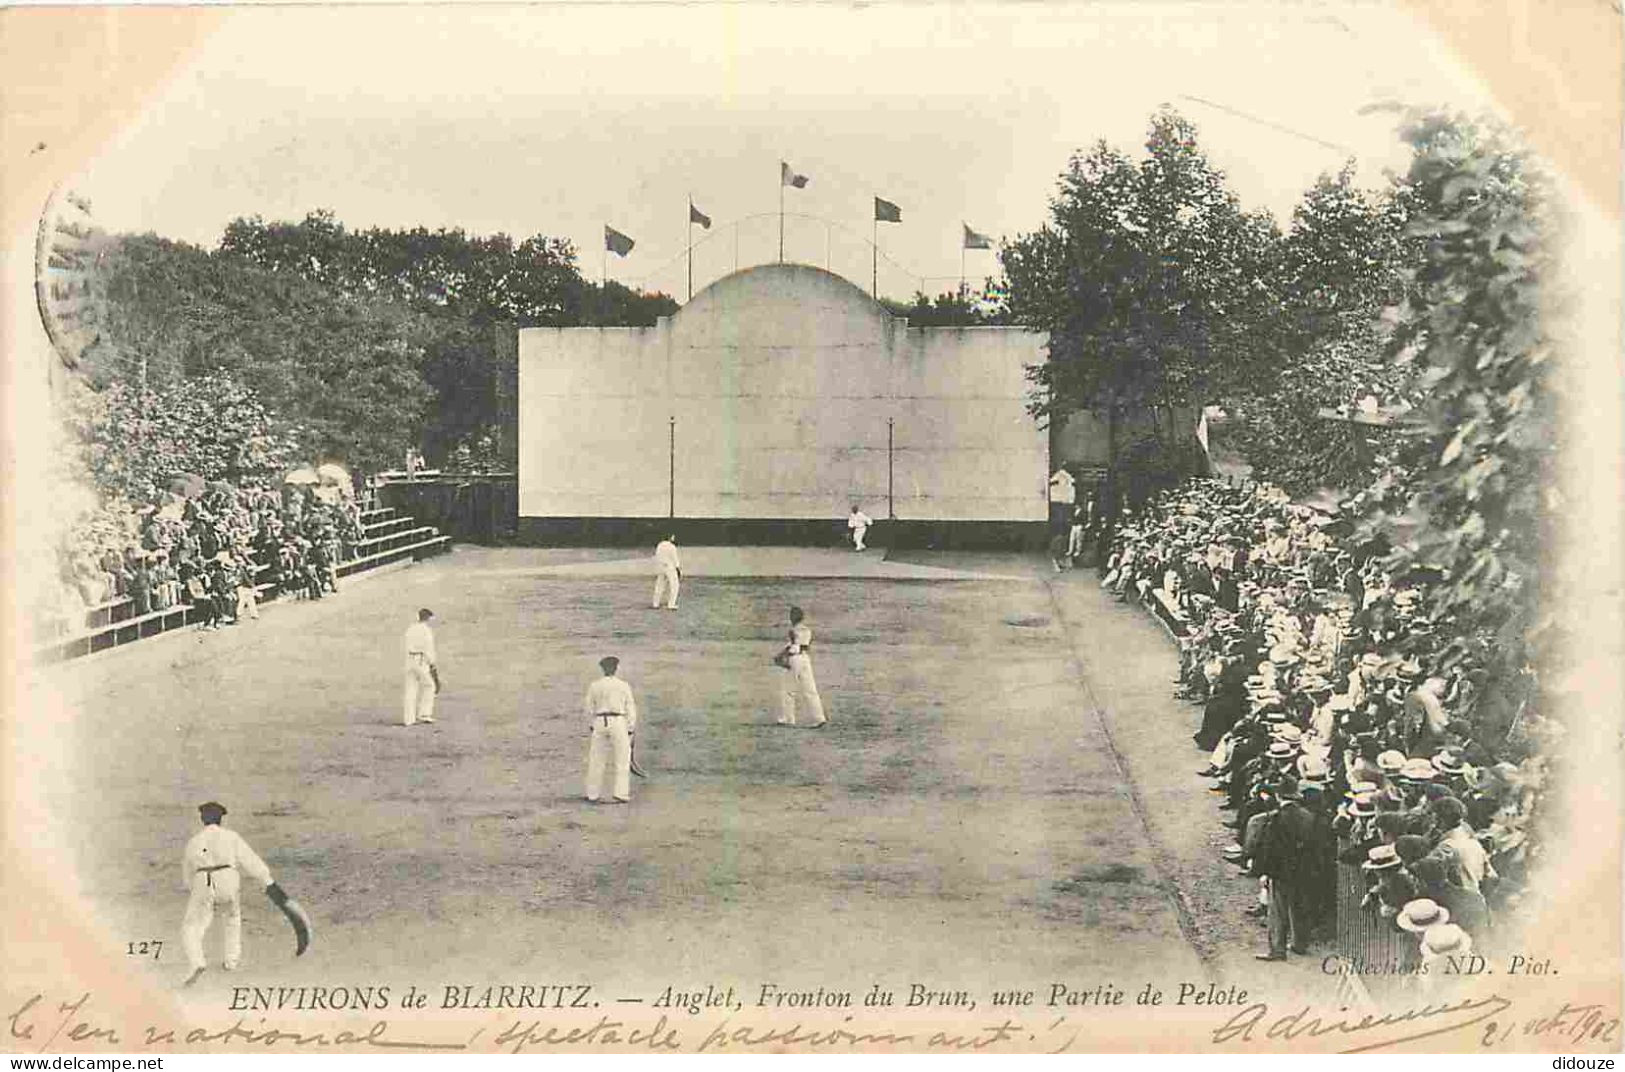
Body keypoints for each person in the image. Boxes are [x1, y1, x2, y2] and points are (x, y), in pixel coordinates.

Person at [181, 801, 274, 986]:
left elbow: (187, 871)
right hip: (227, 879)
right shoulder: (231, 837)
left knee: (192, 926)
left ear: (203, 819)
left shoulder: (194, 841)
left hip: (202, 879)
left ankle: (197, 962)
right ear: (221, 818)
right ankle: (231, 961)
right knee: (232, 918)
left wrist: (195, 890)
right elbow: (250, 860)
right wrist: (266, 880)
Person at [583, 655, 638, 804]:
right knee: (622, 759)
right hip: (618, 721)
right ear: (616, 668)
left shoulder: (595, 685)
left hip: (600, 721)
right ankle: (621, 793)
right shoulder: (623, 685)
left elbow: (588, 708)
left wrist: (592, 724)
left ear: (602, 669)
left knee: (596, 758)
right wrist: (631, 727)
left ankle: (592, 793)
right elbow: (630, 707)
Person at [776, 605, 826, 728]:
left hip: (794, 659)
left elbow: (792, 646)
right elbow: (805, 646)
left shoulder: (792, 630)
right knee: (810, 690)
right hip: (805, 659)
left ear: (793, 617)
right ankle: (819, 718)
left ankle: (788, 718)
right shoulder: (807, 630)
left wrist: (780, 656)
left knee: (788, 690)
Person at [402, 608, 439, 726]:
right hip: (421, 660)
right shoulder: (426, 631)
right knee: (430, 686)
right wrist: (432, 664)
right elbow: (428, 649)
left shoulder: (411, 629)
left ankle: (408, 719)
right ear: (427, 618)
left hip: (409, 659)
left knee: (410, 689)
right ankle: (424, 714)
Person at [652, 534, 681, 610]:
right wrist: (678, 569)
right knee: (674, 586)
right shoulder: (672, 547)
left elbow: (657, 556)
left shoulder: (660, 545)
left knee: (659, 585)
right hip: (670, 567)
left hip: (661, 567)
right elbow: (675, 559)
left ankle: (655, 603)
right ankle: (671, 604)